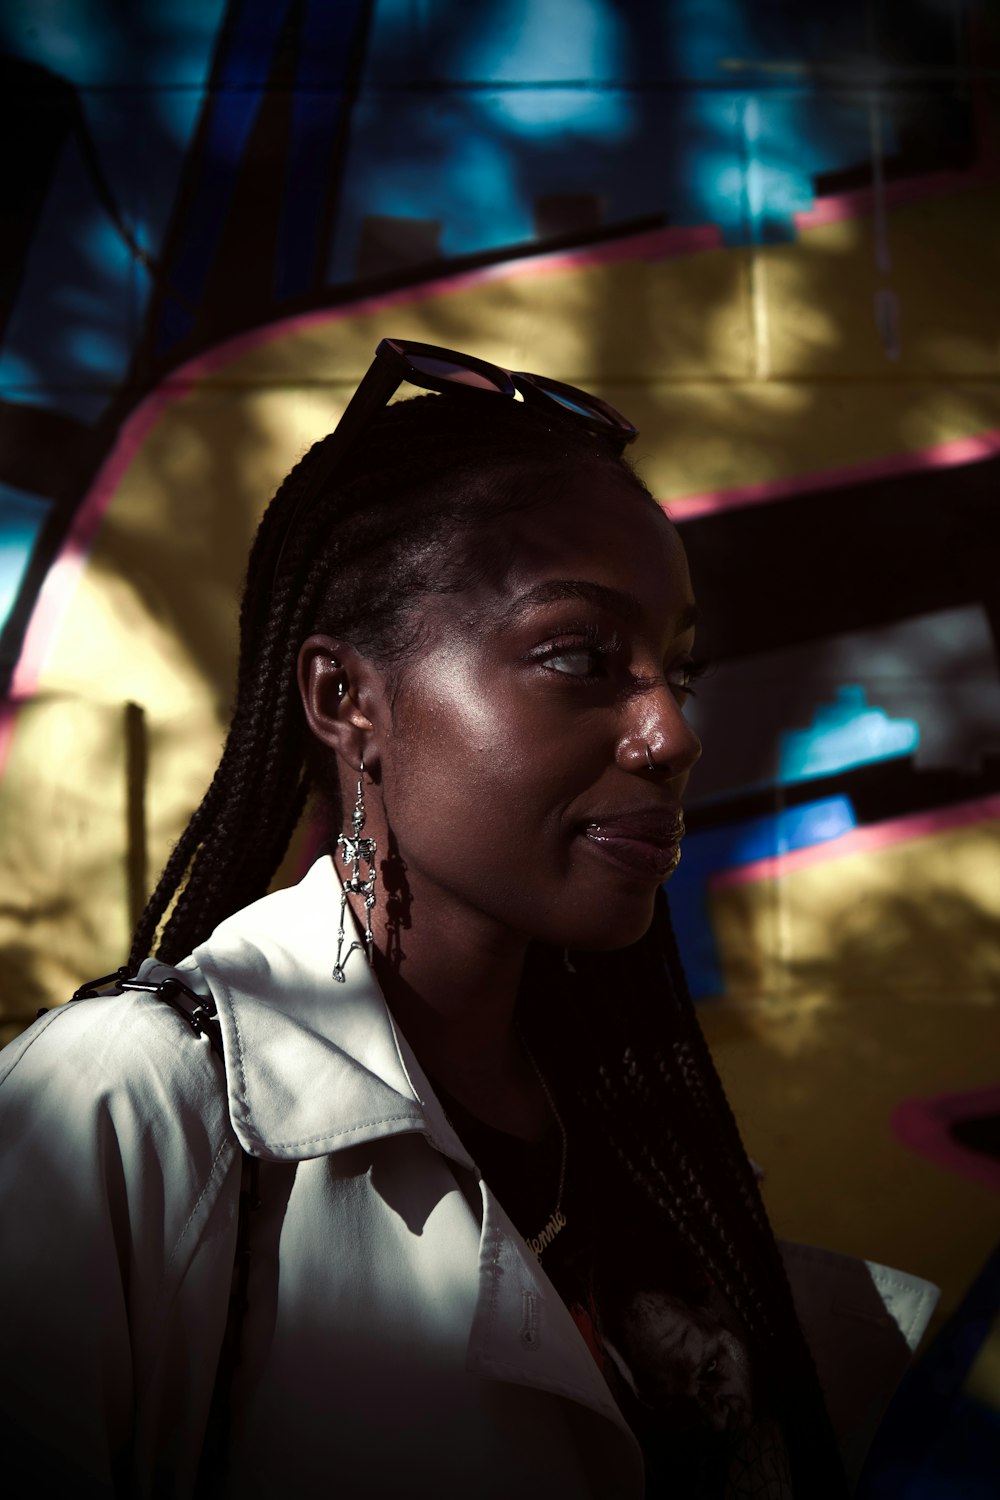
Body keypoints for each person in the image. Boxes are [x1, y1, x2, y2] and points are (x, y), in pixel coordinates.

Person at [0, 340, 935, 1498]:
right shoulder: (129, 1108)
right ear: (347, 700)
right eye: (581, 658)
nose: (671, 737)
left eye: (676, 674)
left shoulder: (636, 1134)